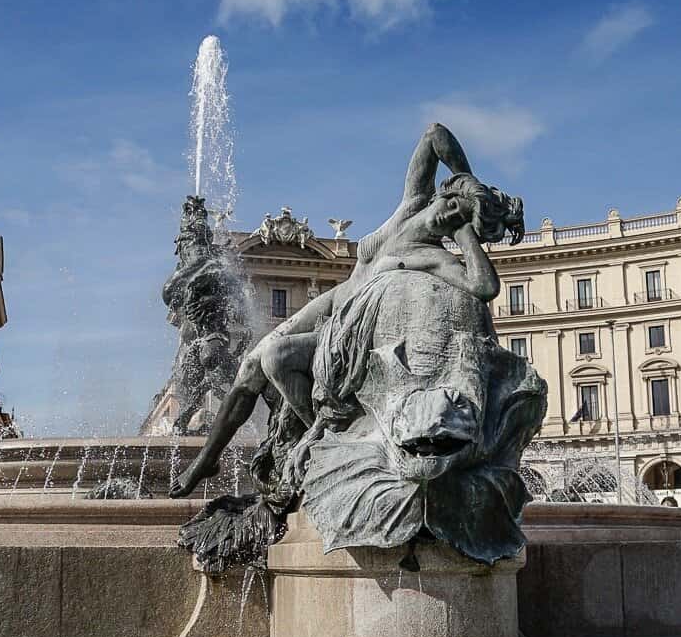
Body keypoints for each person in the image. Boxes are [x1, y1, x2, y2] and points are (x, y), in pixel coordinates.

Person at [170, 123, 523, 497]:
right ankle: (207, 458)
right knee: (249, 365)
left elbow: (485, 286)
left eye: (457, 218)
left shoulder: (435, 257)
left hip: (350, 325)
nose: (447, 215)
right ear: (444, 192)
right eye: (450, 204)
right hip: (334, 299)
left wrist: (465, 233)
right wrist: (470, 181)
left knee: (275, 358)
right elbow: (435, 135)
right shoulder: (413, 203)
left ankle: (327, 436)